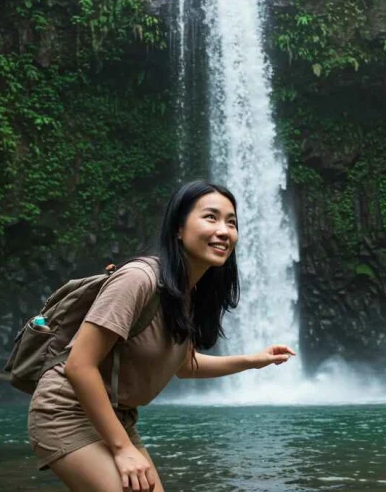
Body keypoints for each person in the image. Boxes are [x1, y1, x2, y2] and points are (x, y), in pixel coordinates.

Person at [27, 180, 295, 492]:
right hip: (66, 412)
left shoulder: (188, 293)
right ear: (178, 229)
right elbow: (78, 365)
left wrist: (252, 361)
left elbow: (183, 366)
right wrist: (122, 448)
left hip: (116, 417)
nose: (224, 231)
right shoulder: (138, 279)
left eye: (231, 222)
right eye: (211, 217)